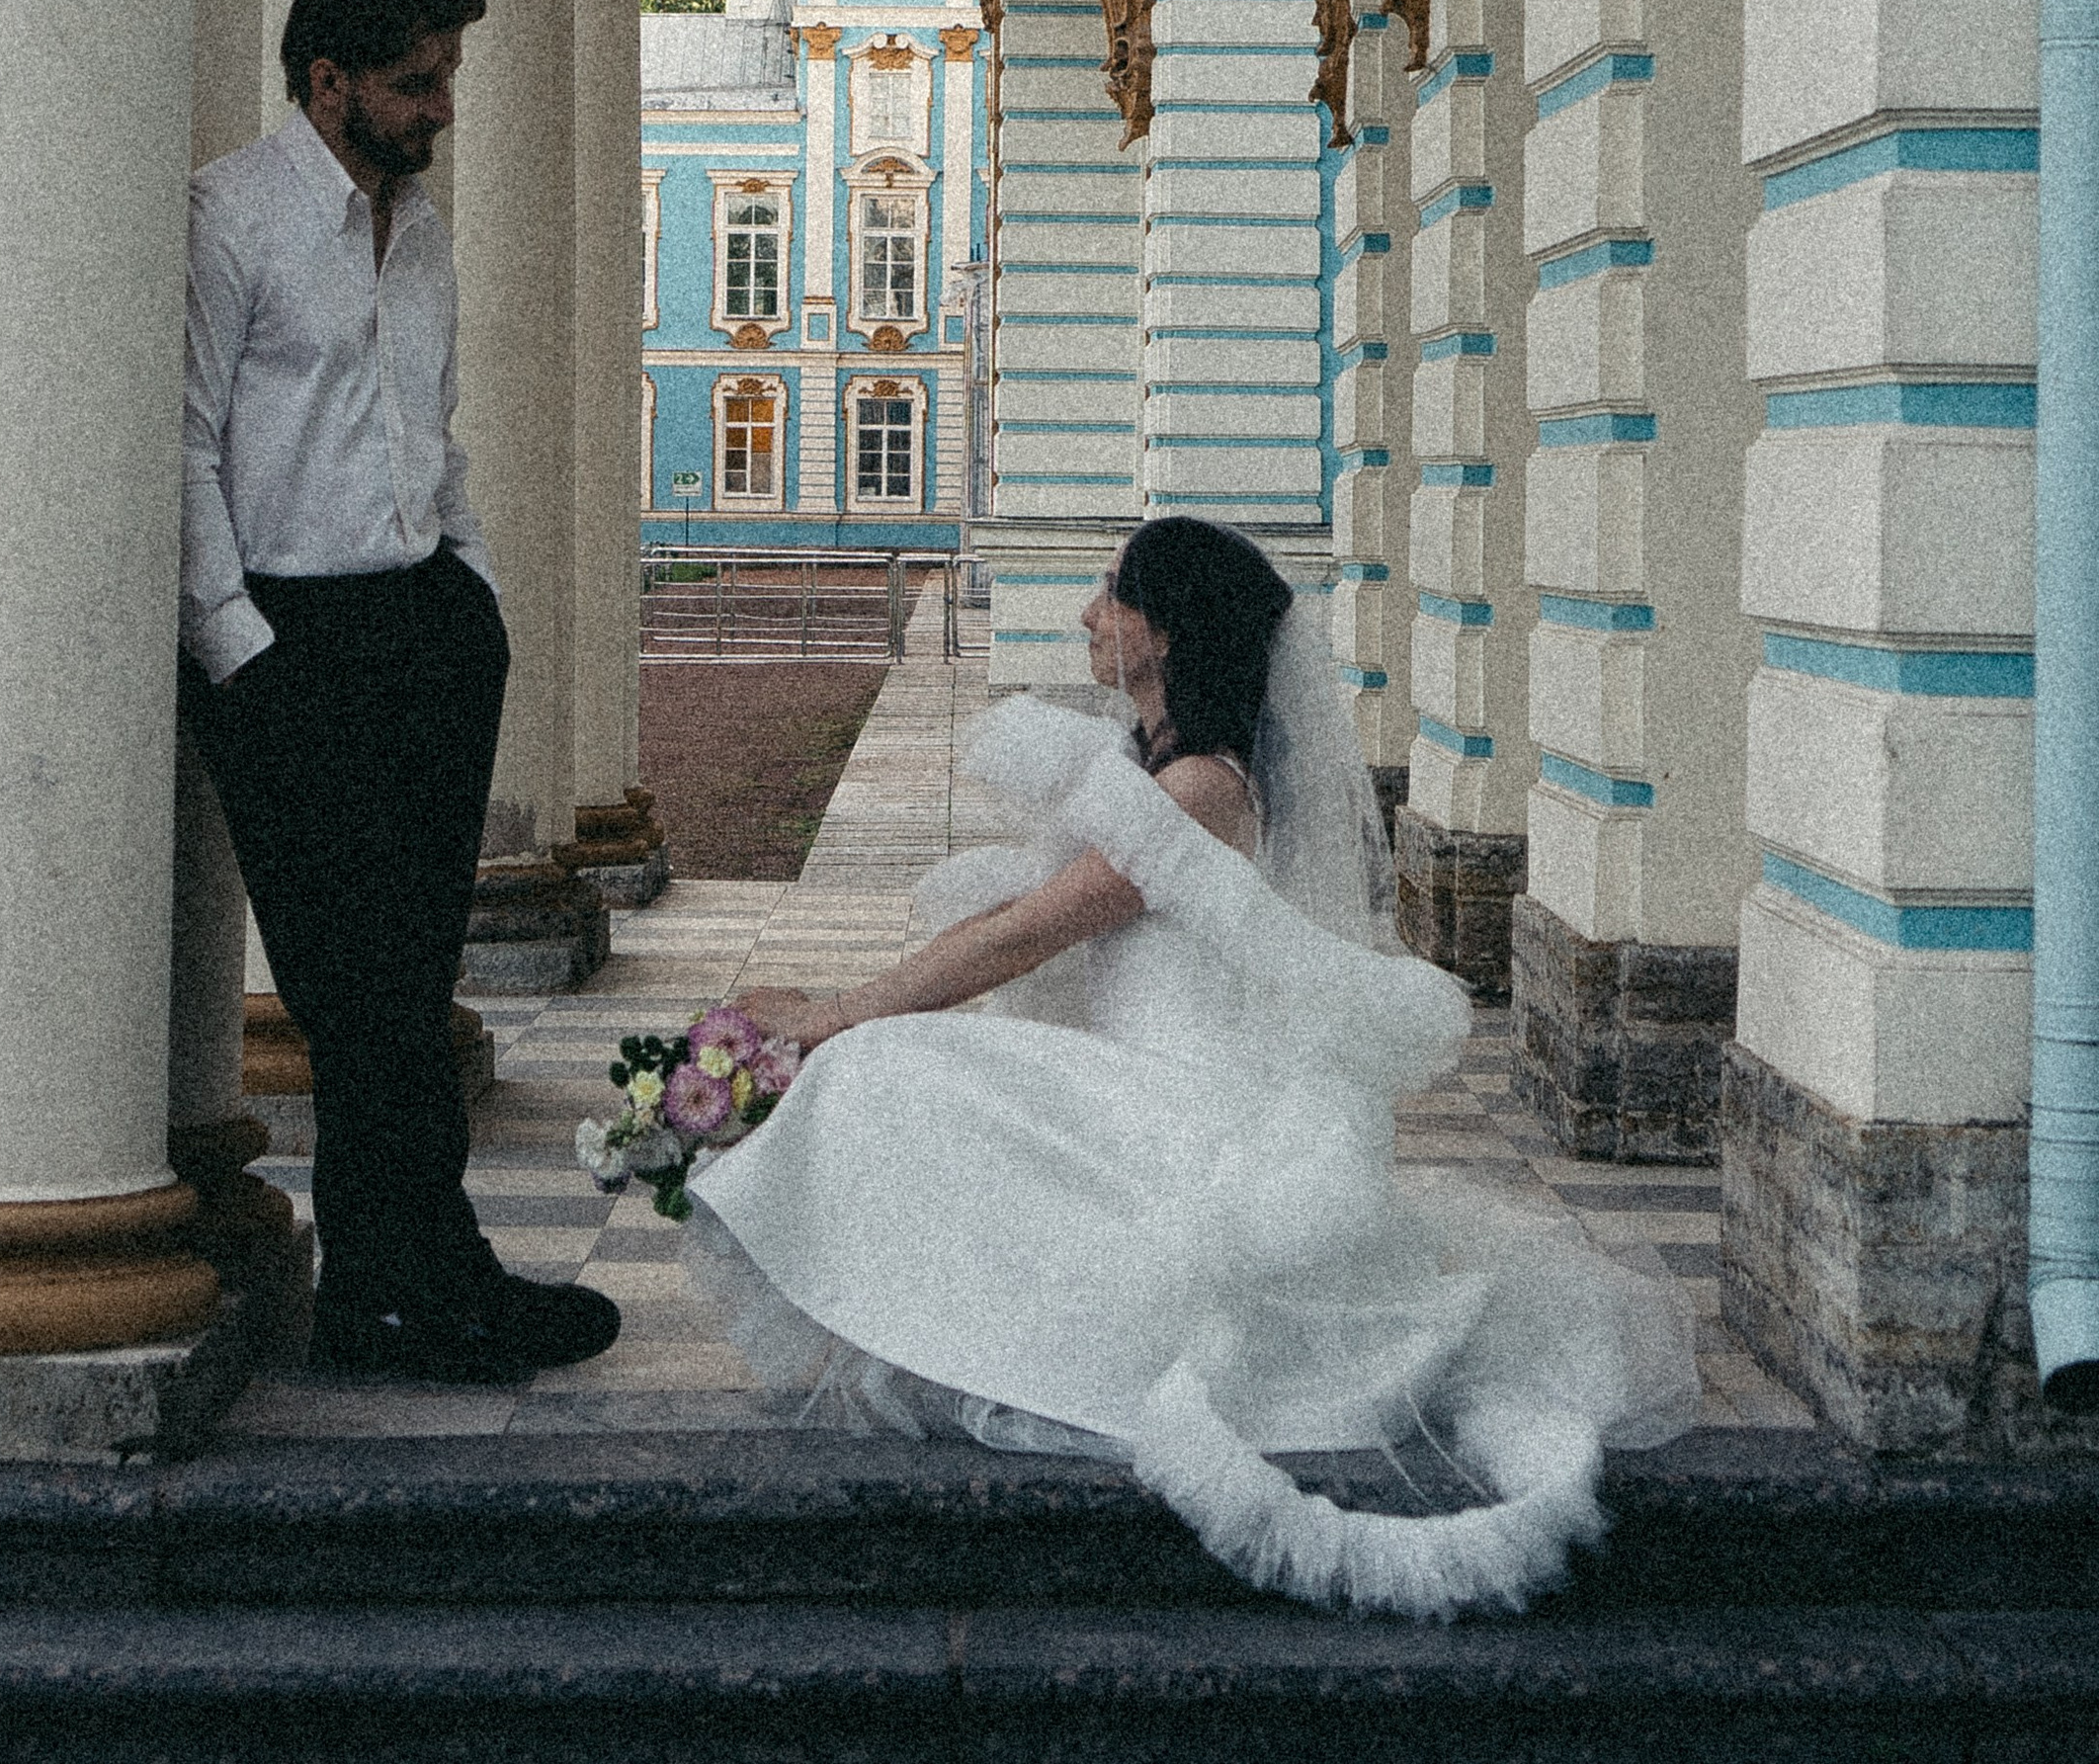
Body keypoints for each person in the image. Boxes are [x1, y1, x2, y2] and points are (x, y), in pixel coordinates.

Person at [693, 516, 1698, 1616]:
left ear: (1164, 634)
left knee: (884, 1071)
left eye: (1108, 596)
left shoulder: (1198, 795)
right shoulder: (1151, 769)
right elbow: (1012, 916)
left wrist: (834, 1015)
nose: (1085, 616)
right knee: (905, 1067)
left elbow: (1026, 933)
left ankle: (968, 1334)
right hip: (1136, 1083)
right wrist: (843, 1006)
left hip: (1189, 1109)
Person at [181, 0, 621, 1385]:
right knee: (349, 991)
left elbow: (431, 424)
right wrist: (239, 646)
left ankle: (408, 1285)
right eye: (415, 84)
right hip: (289, 647)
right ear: (329, 83)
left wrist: (471, 588)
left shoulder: (416, 226)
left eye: (446, 81)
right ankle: (415, 1286)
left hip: (423, 630)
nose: (442, 110)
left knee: (411, 979)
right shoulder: (229, 222)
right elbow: (180, 446)